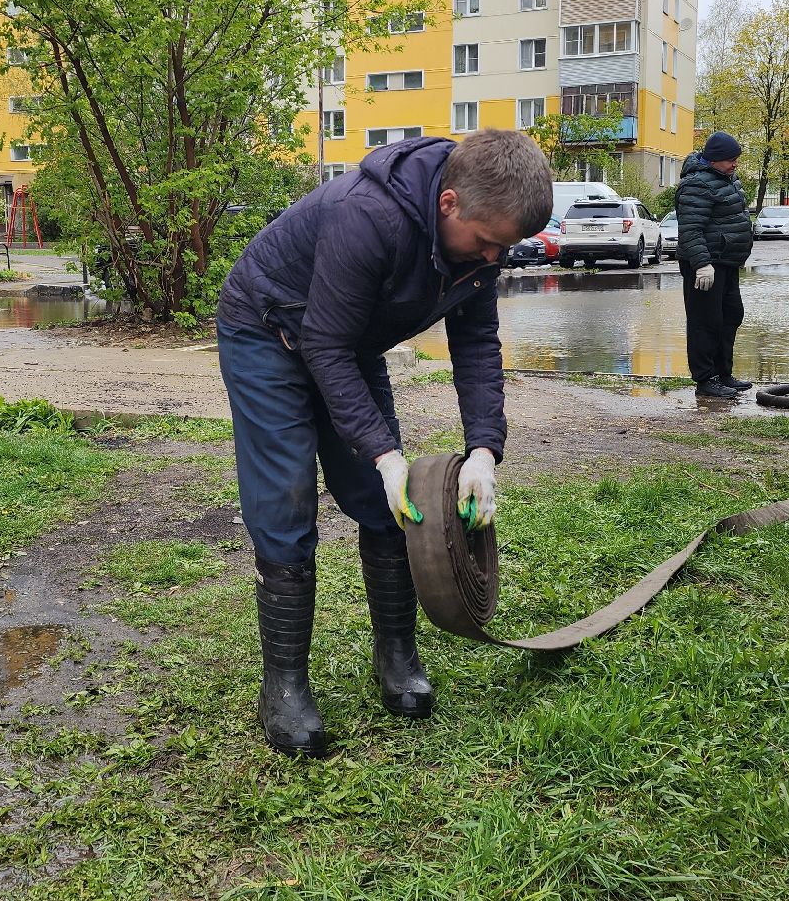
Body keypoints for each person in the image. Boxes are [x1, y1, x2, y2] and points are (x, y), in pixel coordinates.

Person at [216, 129, 553, 756]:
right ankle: (284, 688)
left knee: (386, 504)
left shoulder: (483, 243)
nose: (491, 259)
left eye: (503, 249)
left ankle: (395, 657)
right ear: (448, 203)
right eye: (485, 243)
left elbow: (476, 345)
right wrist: (386, 452)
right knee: (286, 501)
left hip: (347, 339)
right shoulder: (366, 215)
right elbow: (322, 345)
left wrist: (484, 450)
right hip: (268, 331)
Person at [676, 132, 755, 399]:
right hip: (705, 265)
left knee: (731, 316)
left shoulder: (727, 179)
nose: (735, 164)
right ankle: (705, 380)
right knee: (704, 322)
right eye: (731, 160)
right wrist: (702, 264)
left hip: (726, 262)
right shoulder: (696, 185)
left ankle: (724, 374)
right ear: (714, 160)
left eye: (736, 159)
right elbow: (690, 229)